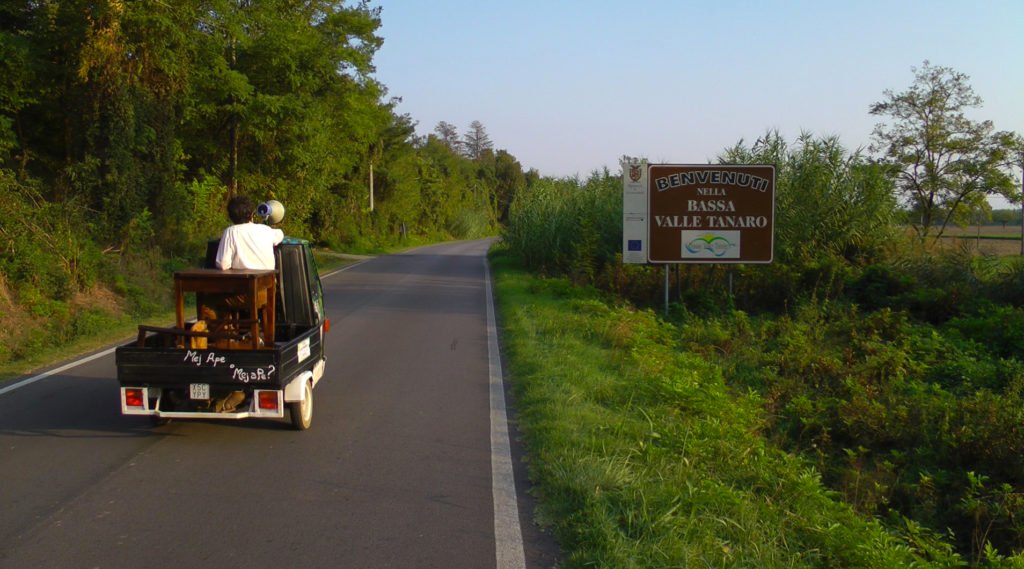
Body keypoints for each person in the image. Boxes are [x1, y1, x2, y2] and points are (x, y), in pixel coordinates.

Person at [215, 196, 284, 270]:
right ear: (251, 214)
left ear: (231, 216)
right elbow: (280, 234)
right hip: (267, 279)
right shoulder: (266, 230)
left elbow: (223, 264)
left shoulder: (230, 232)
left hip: (242, 280)